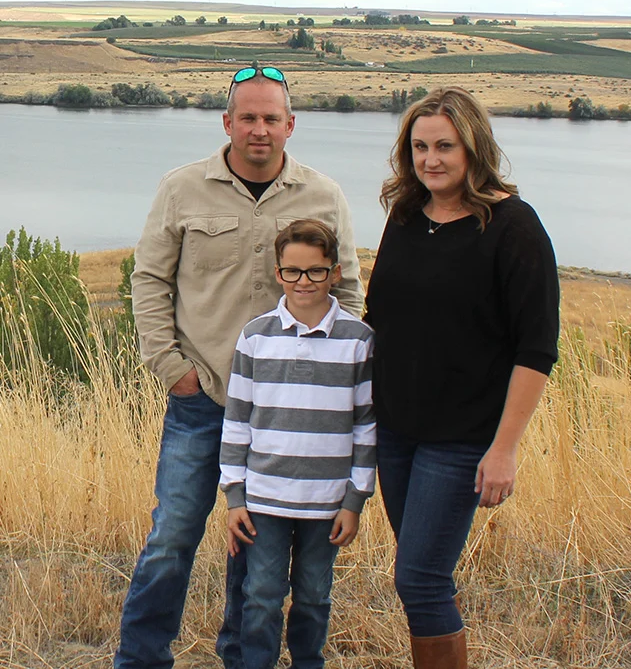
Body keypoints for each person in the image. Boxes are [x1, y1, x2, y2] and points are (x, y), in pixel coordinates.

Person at [115, 66, 364, 669]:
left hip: (284, 413)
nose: (259, 129)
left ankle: (239, 657)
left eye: (270, 118)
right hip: (203, 398)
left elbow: (349, 293)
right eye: (247, 117)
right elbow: (149, 280)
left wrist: (328, 383)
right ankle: (141, 659)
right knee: (174, 534)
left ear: (290, 125)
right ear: (226, 122)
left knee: (253, 546)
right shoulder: (182, 189)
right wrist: (172, 368)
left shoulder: (324, 195)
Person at [364, 86, 560, 669]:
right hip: (395, 432)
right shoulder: (406, 215)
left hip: (462, 439)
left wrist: (504, 449)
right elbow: (381, 316)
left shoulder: (513, 227)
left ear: (474, 147)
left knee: (420, 578)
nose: (431, 160)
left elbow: (536, 349)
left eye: (445, 146)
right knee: (420, 574)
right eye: (420, 147)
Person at [220, 218, 375, 669]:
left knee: (313, 596)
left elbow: (366, 427)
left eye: (315, 271)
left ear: (335, 272)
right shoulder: (256, 337)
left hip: (327, 503)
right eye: (292, 271)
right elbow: (238, 422)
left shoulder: (358, 341)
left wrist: (354, 500)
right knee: (261, 594)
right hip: (264, 500)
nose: (303, 281)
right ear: (277, 272)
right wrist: (234, 496)